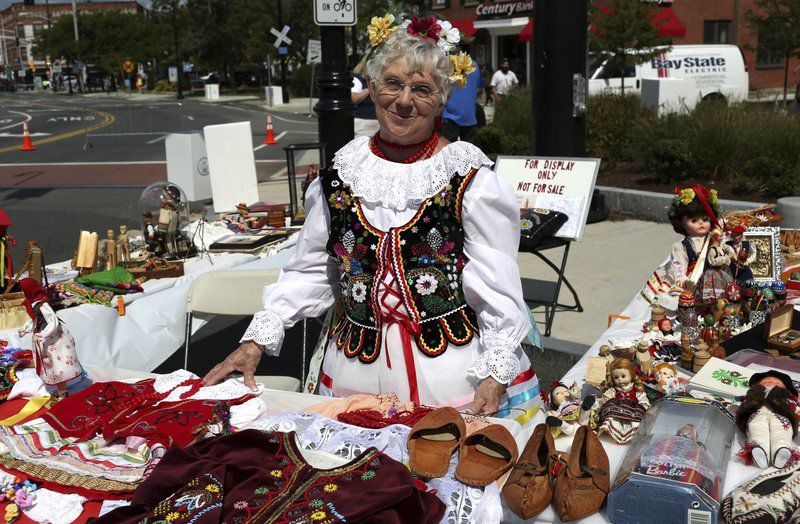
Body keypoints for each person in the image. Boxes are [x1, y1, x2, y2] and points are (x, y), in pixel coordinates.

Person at [203, 13, 542, 419]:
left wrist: (496, 372)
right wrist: (256, 340)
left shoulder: (471, 184)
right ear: (374, 87)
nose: (403, 101)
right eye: (393, 84)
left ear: (441, 100)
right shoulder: (338, 181)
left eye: (422, 89)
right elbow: (310, 271)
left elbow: (497, 286)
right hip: (353, 371)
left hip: (455, 375)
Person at [440, 65, 481, 143]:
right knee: (468, 152)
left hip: (450, 116)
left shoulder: (447, 64)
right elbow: (478, 89)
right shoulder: (474, 66)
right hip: (469, 116)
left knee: (448, 152)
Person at [351, 56, 380, 137]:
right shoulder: (357, 80)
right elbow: (353, 98)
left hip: (374, 122)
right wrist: (369, 89)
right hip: (363, 123)